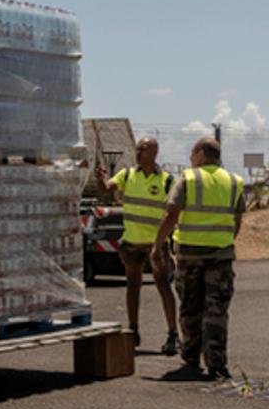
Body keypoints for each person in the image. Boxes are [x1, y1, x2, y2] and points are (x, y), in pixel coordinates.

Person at [153, 137, 244, 380]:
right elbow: (237, 219)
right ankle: (216, 362)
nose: (191, 157)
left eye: (193, 152)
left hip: (190, 255)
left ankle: (191, 356)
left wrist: (157, 246)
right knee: (216, 310)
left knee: (190, 307)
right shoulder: (235, 181)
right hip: (221, 257)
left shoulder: (188, 178)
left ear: (202, 154)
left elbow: (171, 213)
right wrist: (224, 241)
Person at [95, 137, 179, 352]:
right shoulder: (128, 174)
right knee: (132, 287)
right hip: (132, 242)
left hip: (155, 244)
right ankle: (133, 331)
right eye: (138, 148)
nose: (139, 152)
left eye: (144, 148)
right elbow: (106, 188)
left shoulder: (167, 181)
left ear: (155, 153)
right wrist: (100, 179)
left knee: (163, 287)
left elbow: (173, 213)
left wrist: (163, 242)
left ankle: (172, 334)